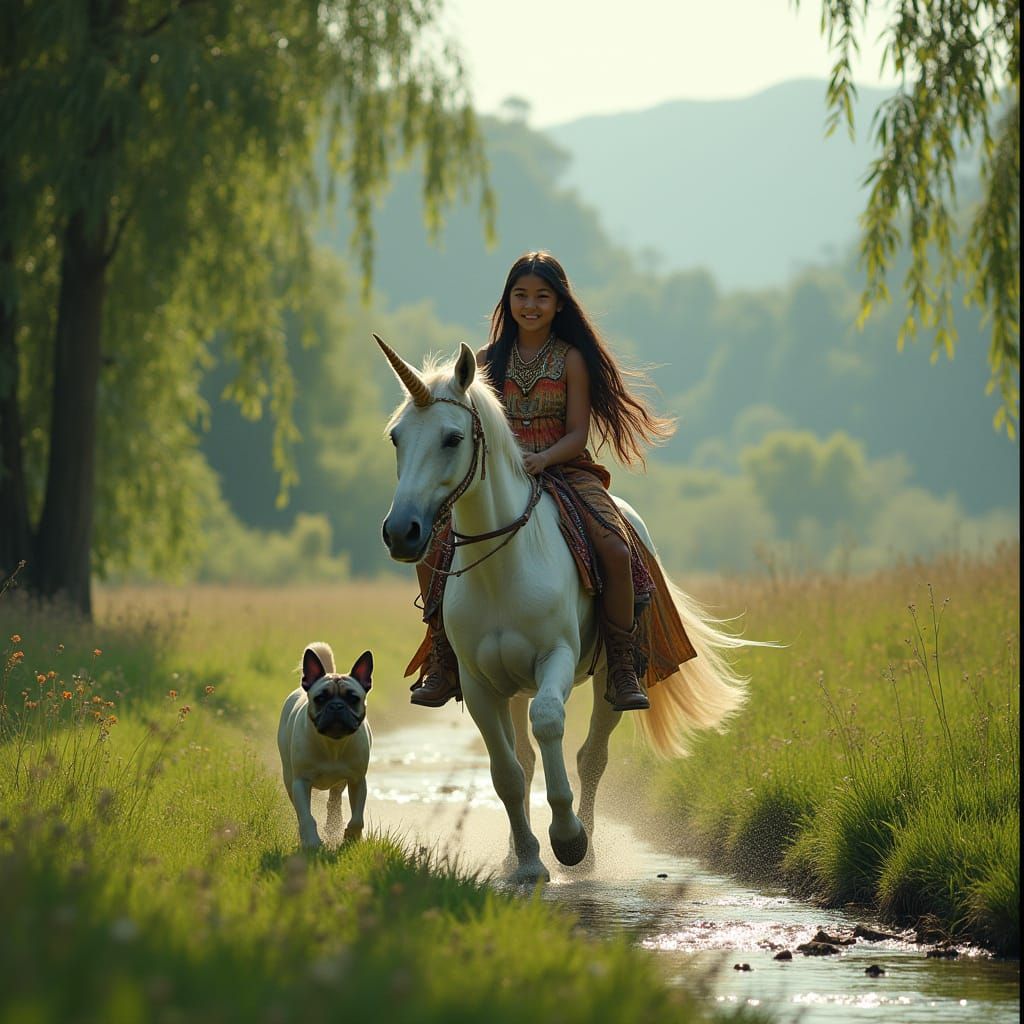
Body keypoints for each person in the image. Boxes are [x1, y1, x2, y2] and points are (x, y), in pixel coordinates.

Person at [408, 250, 679, 712]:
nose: (530, 305)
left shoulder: (571, 359)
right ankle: (444, 655)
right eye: (520, 295)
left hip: (566, 469)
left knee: (615, 548)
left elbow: (577, 434)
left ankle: (621, 662)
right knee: (434, 545)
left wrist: (541, 458)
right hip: (497, 477)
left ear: (558, 303)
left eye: (541, 296)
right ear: (507, 300)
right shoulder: (486, 361)